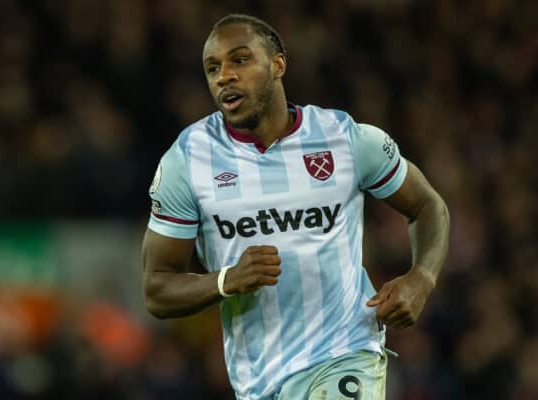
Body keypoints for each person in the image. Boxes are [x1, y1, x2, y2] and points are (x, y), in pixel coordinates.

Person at [142, 13, 449, 400]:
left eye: (240, 59)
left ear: (277, 64)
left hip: (345, 353)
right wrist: (225, 281)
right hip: (258, 382)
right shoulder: (187, 160)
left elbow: (427, 206)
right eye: (212, 68)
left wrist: (421, 277)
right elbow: (156, 289)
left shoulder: (345, 139)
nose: (224, 76)